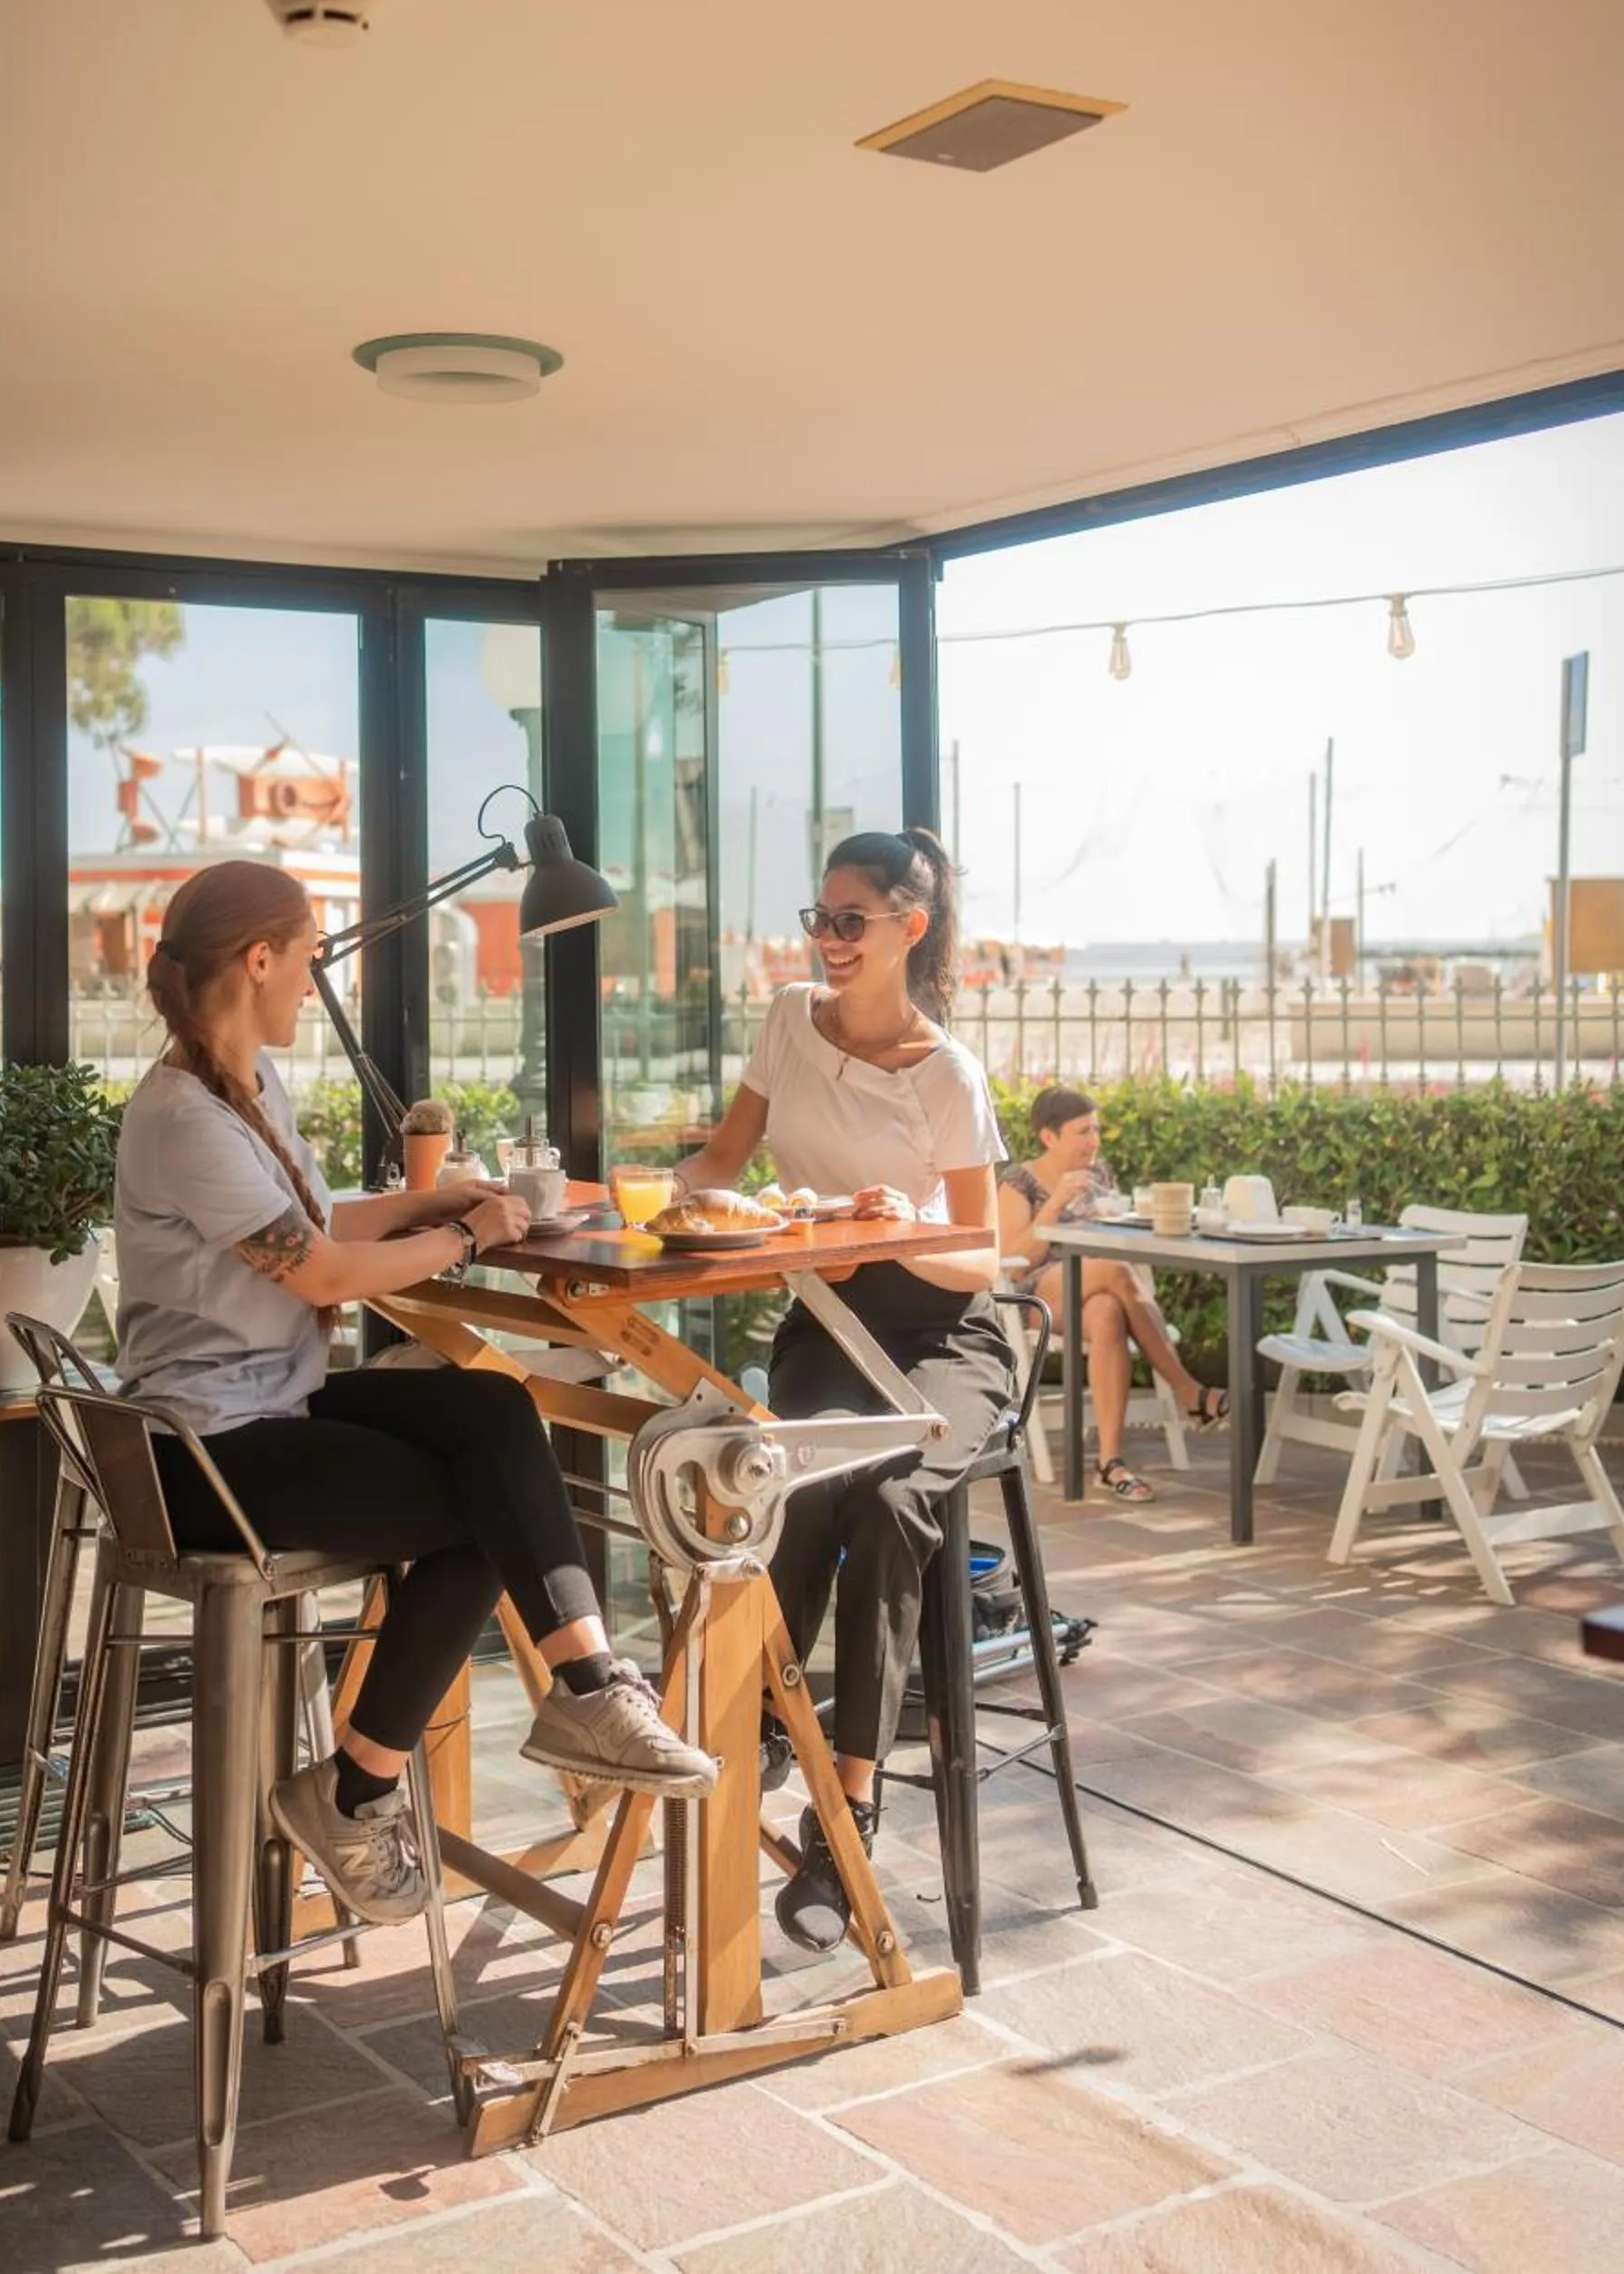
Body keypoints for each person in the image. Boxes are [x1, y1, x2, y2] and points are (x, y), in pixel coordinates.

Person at [111, 858, 716, 1929]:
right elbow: (320, 1274)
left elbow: (315, 1222)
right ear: (258, 960)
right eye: (306, 960)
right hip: (204, 1455)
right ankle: (356, 1793)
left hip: (270, 1405)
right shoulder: (185, 1119)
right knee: (487, 1512)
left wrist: (437, 1195)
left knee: (491, 1412)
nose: (312, 984)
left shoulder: (239, 1087)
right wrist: (461, 1234)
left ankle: (585, 1688)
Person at [672, 828, 1007, 1953]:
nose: (825, 939)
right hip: (827, 1320)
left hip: (944, 1332)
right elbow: (722, 1162)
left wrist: (904, 1227)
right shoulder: (786, 1019)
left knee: (886, 1497)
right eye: (817, 917)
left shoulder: (945, 1074)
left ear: (909, 930)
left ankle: (844, 1804)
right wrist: (623, 1201)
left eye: (848, 921)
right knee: (781, 1482)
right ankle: (766, 1723)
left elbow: (982, 1259)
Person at [997, 1084, 1226, 1503]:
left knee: (1106, 1312)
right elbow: (1015, 1258)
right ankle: (1189, 1391)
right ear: (1049, 1136)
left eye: (1096, 1130)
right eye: (1083, 1131)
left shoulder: (1098, 1175)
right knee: (1118, 1273)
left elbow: (1114, 1228)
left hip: (1093, 1285)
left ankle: (1110, 1463)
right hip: (1038, 1292)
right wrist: (1056, 1203)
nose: (1094, 1141)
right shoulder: (1018, 1182)